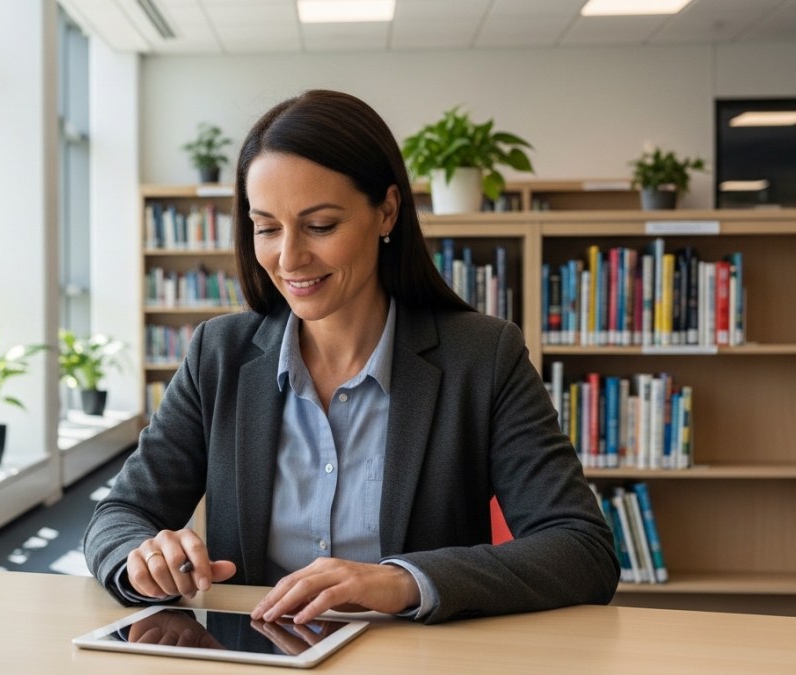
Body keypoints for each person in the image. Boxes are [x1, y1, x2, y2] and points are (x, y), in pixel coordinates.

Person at [84, 89, 619, 624]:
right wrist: (143, 559)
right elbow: (121, 515)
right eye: (267, 228)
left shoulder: (482, 357)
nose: (289, 257)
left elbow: (581, 548)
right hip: (258, 657)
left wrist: (403, 581)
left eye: (320, 226)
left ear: (386, 211)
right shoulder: (217, 355)